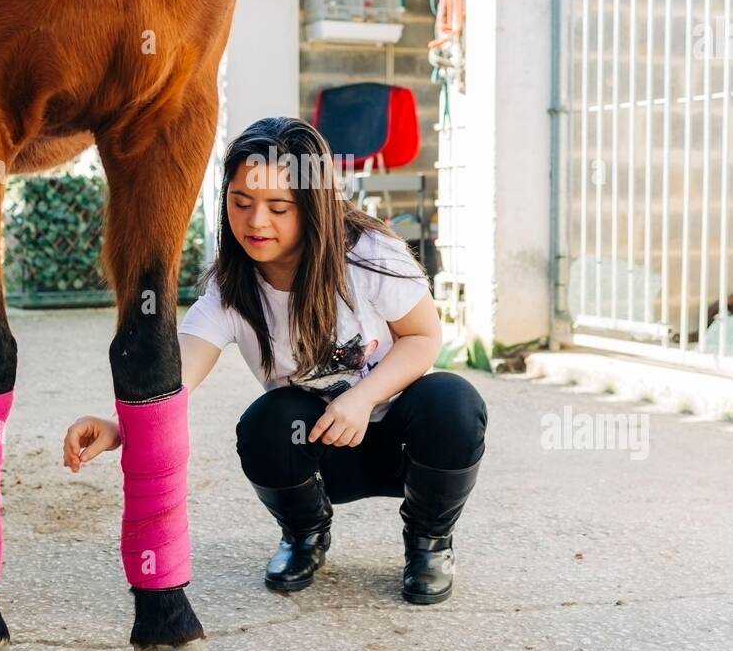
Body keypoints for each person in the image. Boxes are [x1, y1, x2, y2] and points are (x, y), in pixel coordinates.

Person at [64, 117, 487, 605]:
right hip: (320, 454)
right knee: (265, 422)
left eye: (278, 207)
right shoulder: (231, 289)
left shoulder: (370, 255)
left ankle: (429, 543)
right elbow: (178, 372)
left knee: (454, 402)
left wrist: (363, 397)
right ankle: (305, 534)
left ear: (313, 207)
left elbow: (423, 336)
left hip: (402, 446)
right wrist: (121, 423)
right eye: (241, 203)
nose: (255, 222)